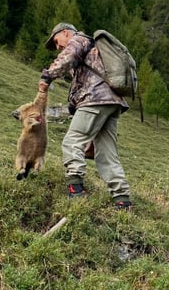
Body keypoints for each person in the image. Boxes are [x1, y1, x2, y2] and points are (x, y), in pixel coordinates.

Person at [36, 22, 132, 210]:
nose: (58, 47)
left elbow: (67, 57)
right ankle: (122, 200)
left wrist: (47, 76)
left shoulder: (78, 40)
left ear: (65, 33)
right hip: (111, 102)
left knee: (72, 142)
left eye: (57, 42)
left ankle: (76, 190)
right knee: (107, 153)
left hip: (94, 99)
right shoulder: (92, 46)